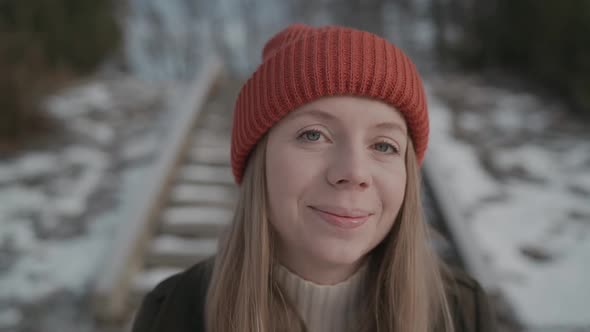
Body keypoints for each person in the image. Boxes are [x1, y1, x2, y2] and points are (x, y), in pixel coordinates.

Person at [131, 23, 497, 332]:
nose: (353, 172)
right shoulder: (172, 312)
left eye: (384, 146)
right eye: (313, 135)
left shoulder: (462, 313)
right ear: (259, 161)